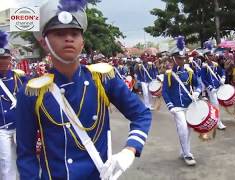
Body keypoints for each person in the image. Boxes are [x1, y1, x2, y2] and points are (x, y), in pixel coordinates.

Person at [15, 1, 152, 179]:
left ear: (82, 42)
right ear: (44, 43)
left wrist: (130, 149)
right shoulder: (32, 92)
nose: (69, 38)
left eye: (74, 33)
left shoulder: (103, 79)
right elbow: (26, 154)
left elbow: (141, 114)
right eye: (60, 33)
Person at [162, 36, 201, 166]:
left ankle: (183, 150)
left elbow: (198, 84)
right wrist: (170, 106)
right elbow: (165, 91)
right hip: (177, 107)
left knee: (188, 130)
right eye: (179, 58)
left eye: (183, 58)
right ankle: (187, 154)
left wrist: (196, 92)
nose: (182, 60)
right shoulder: (168, 74)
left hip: (188, 105)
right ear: (173, 59)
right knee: (183, 129)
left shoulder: (189, 71)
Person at [0, 30, 26, 180]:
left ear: (10, 59)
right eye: (0, 58)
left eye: (5, 58)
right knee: (6, 165)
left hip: (20, 127)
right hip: (1, 130)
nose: (2, 61)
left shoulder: (20, 78)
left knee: (23, 161)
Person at [201, 42, 227, 130]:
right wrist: (210, 88)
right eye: (210, 55)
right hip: (211, 89)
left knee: (216, 104)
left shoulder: (215, 64)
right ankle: (218, 123)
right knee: (215, 104)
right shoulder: (204, 66)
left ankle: (212, 118)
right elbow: (203, 79)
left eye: (212, 55)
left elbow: (222, 71)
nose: (212, 56)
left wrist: (223, 78)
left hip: (218, 86)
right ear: (206, 56)